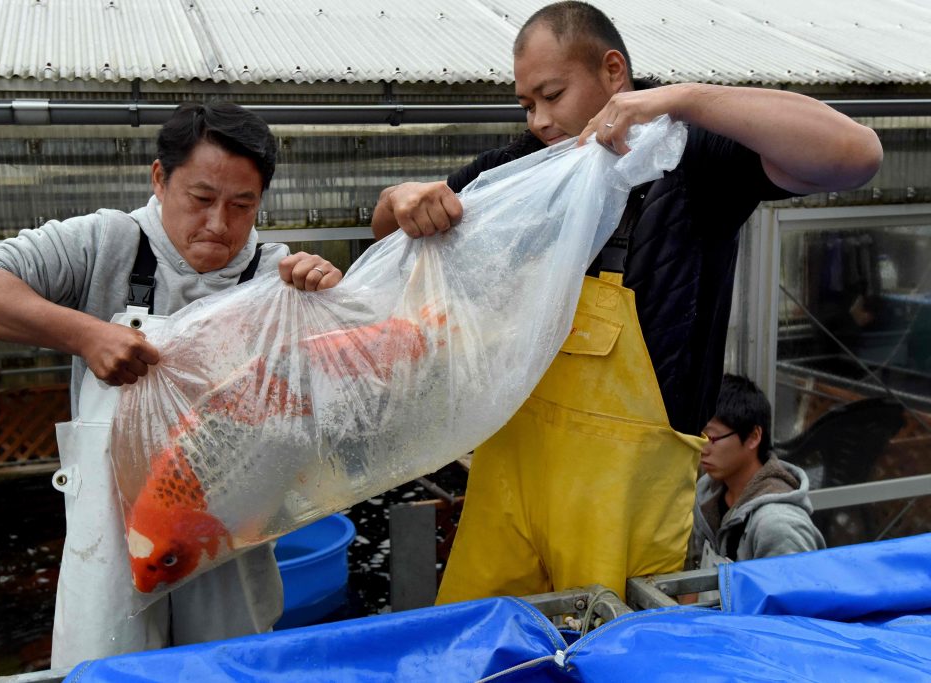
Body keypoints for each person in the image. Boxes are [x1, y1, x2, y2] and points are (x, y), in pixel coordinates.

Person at [371, 1, 881, 603]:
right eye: (526, 104)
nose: (538, 119)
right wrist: (402, 196)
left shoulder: (696, 163)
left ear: (614, 73)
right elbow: (389, 228)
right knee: (484, 647)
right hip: (512, 475)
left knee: (612, 649)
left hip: (624, 495)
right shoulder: (524, 170)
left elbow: (857, 155)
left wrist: (685, 99)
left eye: (552, 94)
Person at [0, 101, 343, 665]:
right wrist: (86, 335)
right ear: (158, 177)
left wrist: (330, 303)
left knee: (227, 665)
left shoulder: (277, 276)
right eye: (200, 199)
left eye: (242, 205)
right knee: (106, 661)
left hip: (229, 532)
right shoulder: (104, 242)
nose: (219, 224)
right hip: (113, 536)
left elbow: (329, 400)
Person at [688, 374, 825, 572]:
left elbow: (797, 599)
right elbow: (695, 576)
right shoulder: (706, 491)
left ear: (753, 437)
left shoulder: (778, 526)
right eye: (699, 436)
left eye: (712, 437)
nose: (702, 447)